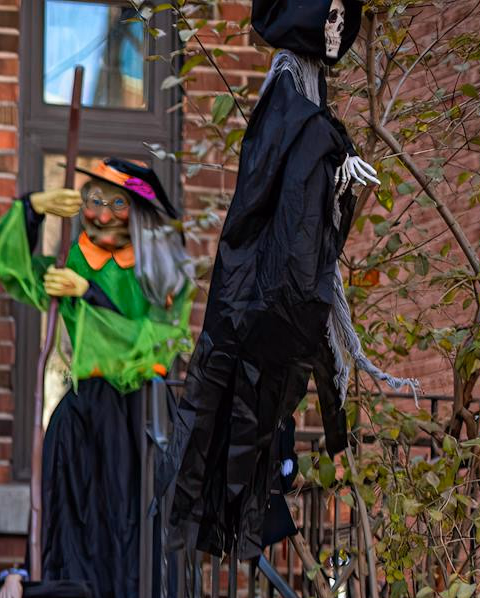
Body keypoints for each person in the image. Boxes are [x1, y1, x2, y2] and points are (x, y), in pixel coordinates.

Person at [163, 0, 407, 561]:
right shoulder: (287, 92)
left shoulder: (310, 97)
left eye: (342, 20)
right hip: (257, 288)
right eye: (327, 16)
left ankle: (253, 507)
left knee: (265, 405)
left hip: (273, 288)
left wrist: (335, 168)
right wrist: (334, 156)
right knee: (244, 399)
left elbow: (302, 175)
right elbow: (279, 179)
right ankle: (231, 516)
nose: (336, 28)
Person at [0, 157, 194, 598]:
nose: (100, 213)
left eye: (115, 202)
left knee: (138, 541)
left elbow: (155, 344)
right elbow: (14, 275)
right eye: (92, 200)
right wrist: (30, 212)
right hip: (82, 414)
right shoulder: (73, 255)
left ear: (138, 212)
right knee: (76, 535)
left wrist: (90, 296)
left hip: (141, 418)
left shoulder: (163, 269)